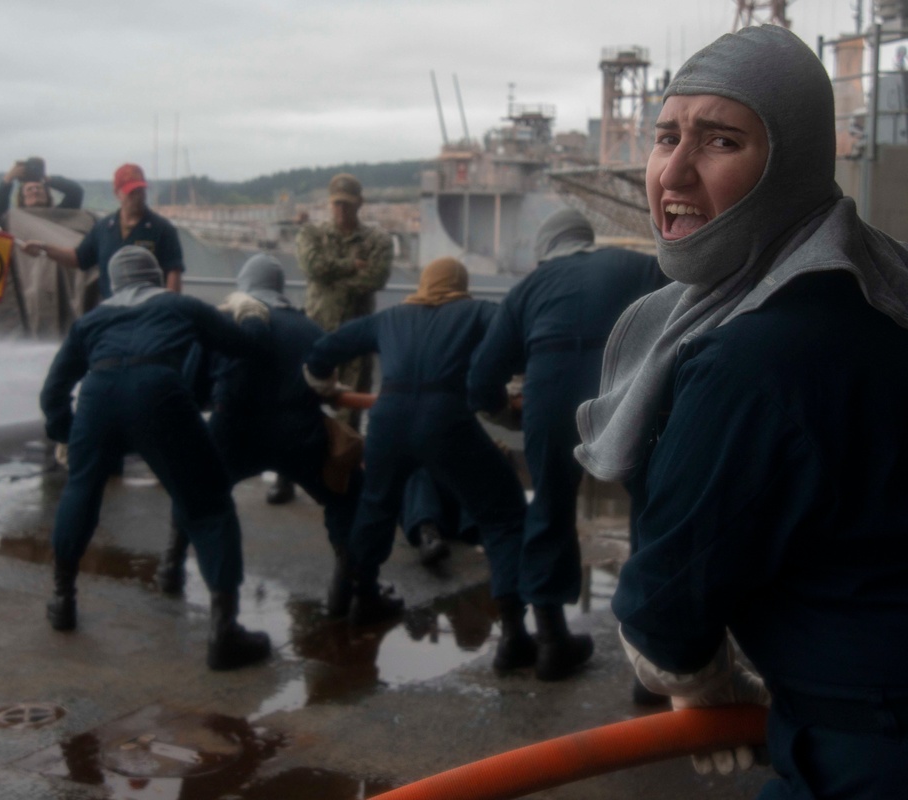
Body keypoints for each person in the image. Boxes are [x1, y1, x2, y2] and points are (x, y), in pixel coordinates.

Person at [574, 25, 908, 796]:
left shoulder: (749, 361)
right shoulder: (880, 287)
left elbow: (665, 608)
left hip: (867, 740)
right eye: (665, 138)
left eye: (720, 141)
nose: (674, 172)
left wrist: (702, 683)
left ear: (790, 165)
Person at [38, 245, 272, 671]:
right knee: (210, 503)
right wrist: (252, 312)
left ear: (112, 283)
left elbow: (52, 392)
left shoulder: (89, 321)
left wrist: (67, 433)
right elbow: (243, 347)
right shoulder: (180, 305)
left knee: (82, 490)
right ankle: (224, 632)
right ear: (158, 277)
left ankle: (62, 600)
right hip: (158, 392)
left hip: (98, 393)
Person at [304, 257, 537, 677]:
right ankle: (514, 630)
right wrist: (515, 388)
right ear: (460, 285)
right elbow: (519, 338)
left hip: (388, 419)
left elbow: (325, 349)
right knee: (502, 513)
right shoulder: (478, 311)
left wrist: (324, 387)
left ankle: (363, 595)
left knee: (375, 506)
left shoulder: (391, 317)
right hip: (447, 417)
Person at [468, 208, 666, 682]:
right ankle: (655, 658)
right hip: (622, 390)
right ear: (585, 238)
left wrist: (503, 412)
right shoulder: (633, 266)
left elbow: (480, 379)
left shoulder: (527, 289)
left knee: (550, 509)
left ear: (545, 247)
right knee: (651, 506)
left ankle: (552, 640)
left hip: (549, 399)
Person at [154, 252, 364, 619]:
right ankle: (344, 591)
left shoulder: (222, 321)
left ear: (244, 285)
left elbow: (192, 387)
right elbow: (323, 387)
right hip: (299, 434)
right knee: (348, 497)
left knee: (195, 490)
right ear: (280, 287)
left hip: (232, 428)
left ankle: (170, 568)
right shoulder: (310, 328)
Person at [296, 172, 392, 432]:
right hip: (316, 331)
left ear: (360, 203)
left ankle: (345, 467)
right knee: (303, 403)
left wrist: (329, 279)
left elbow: (375, 279)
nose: (341, 209)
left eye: (347, 203)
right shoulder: (312, 233)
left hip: (356, 338)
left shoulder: (377, 240)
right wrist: (351, 265)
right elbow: (312, 267)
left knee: (349, 416)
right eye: (337, 203)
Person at [22, 163, 184, 297]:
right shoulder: (104, 228)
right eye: (131, 192)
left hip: (149, 315)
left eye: (140, 191)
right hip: (112, 314)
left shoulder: (163, 229)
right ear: (117, 194)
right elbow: (79, 258)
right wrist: (45, 248)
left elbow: (173, 273)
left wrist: (168, 310)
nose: (138, 196)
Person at [400, 468, 480, 567]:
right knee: (416, 468)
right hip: (429, 506)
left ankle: (479, 531)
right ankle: (428, 535)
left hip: (462, 510)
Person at [0, 156, 84, 230]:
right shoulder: (15, 220)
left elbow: (76, 192)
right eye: (29, 189)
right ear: (22, 197)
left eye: (39, 188)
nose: (35, 191)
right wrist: (8, 179)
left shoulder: (60, 215)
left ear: (47, 195)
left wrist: (47, 179)